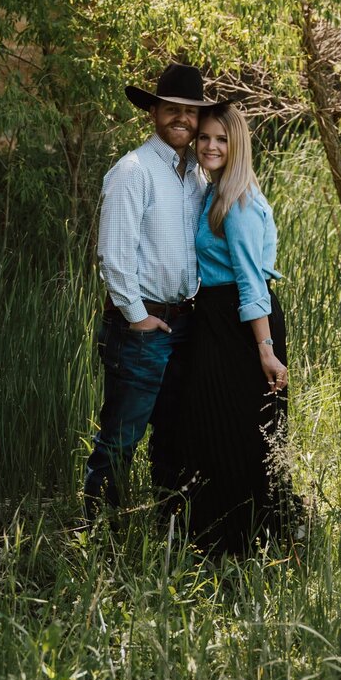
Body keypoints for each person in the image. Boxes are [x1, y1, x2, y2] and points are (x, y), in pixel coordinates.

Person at [86, 62, 211, 514]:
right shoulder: (133, 171)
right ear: (154, 111)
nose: (182, 118)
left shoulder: (196, 175)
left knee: (173, 433)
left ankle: (167, 526)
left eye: (191, 111)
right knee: (121, 438)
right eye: (172, 108)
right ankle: (102, 536)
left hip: (183, 322)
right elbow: (113, 256)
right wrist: (138, 318)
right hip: (141, 326)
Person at [176, 101, 300, 556]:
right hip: (215, 320)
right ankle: (220, 541)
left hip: (242, 325)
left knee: (244, 433)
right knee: (212, 428)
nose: (210, 146)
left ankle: (250, 545)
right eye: (205, 137)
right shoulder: (215, 190)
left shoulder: (239, 201)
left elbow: (251, 282)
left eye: (221, 139)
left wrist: (265, 349)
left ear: (237, 145)